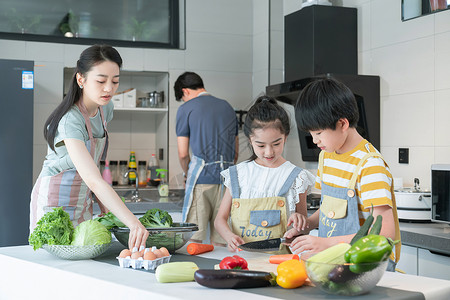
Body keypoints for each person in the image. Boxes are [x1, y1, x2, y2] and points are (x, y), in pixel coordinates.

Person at [30, 45, 149, 250]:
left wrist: (104, 203)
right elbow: (94, 179)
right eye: (101, 81)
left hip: (82, 201)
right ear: (81, 79)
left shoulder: (105, 109)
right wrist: (133, 223)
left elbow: (91, 169)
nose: (109, 89)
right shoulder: (70, 120)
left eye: (115, 81)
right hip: (54, 203)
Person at [292, 76, 401, 270]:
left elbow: (384, 233)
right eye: (311, 134)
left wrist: (324, 243)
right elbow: (330, 209)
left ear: (342, 124)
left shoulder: (370, 165)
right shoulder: (327, 156)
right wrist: (308, 225)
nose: (314, 140)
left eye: (318, 133)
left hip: (368, 266)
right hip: (336, 262)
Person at [214, 96, 315, 253]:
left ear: (285, 138)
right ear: (250, 139)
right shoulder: (238, 174)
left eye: (276, 144)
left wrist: (301, 223)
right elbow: (220, 220)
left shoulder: (296, 177)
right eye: (260, 145)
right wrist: (229, 237)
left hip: (281, 262)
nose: (269, 152)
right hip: (241, 260)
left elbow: (304, 227)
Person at [175, 72, 239, 245]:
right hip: (227, 182)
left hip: (200, 179)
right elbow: (235, 153)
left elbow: (183, 154)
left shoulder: (185, 109)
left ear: (185, 91)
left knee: (194, 238)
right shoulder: (227, 107)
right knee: (221, 239)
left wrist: (186, 174)